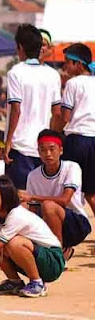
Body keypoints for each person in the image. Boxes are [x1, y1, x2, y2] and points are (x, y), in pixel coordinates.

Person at [0, 176, 64, 298]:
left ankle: (37, 283)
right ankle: (14, 282)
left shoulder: (16, 215)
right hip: (36, 257)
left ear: (6, 196)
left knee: (13, 243)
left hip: (53, 261)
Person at [4, 24, 62, 190]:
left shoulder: (15, 72)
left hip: (20, 144)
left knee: (20, 196)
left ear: (20, 47)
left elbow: (16, 109)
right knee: (39, 197)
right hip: (43, 147)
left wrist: (7, 142)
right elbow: (56, 113)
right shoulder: (52, 75)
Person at [19, 130, 92, 260]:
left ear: (61, 150)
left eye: (52, 149)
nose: (48, 154)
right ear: (38, 152)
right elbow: (33, 210)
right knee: (22, 211)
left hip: (76, 224)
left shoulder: (71, 167)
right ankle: (60, 249)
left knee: (48, 206)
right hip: (48, 222)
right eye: (43, 150)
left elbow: (64, 200)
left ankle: (57, 255)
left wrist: (32, 197)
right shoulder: (33, 175)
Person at [57, 43, 95, 216]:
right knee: (91, 191)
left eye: (68, 62)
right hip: (93, 139)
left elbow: (65, 117)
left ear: (79, 64)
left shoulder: (73, 84)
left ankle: (72, 228)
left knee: (68, 186)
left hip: (77, 139)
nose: (65, 66)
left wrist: (55, 133)